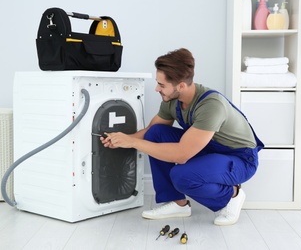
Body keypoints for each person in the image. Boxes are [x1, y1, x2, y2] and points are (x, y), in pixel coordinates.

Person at [101, 48, 264, 226]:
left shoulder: (211, 106)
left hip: (240, 158)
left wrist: (132, 142)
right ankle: (178, 204)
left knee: (181, 176)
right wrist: (122, 139)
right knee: (155, 133)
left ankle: (232, 195)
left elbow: (181, 154)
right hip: (208, 147)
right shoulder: (172, 100)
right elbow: (151, 131)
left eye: (161, 85)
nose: (157, 88)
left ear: (181, 86)